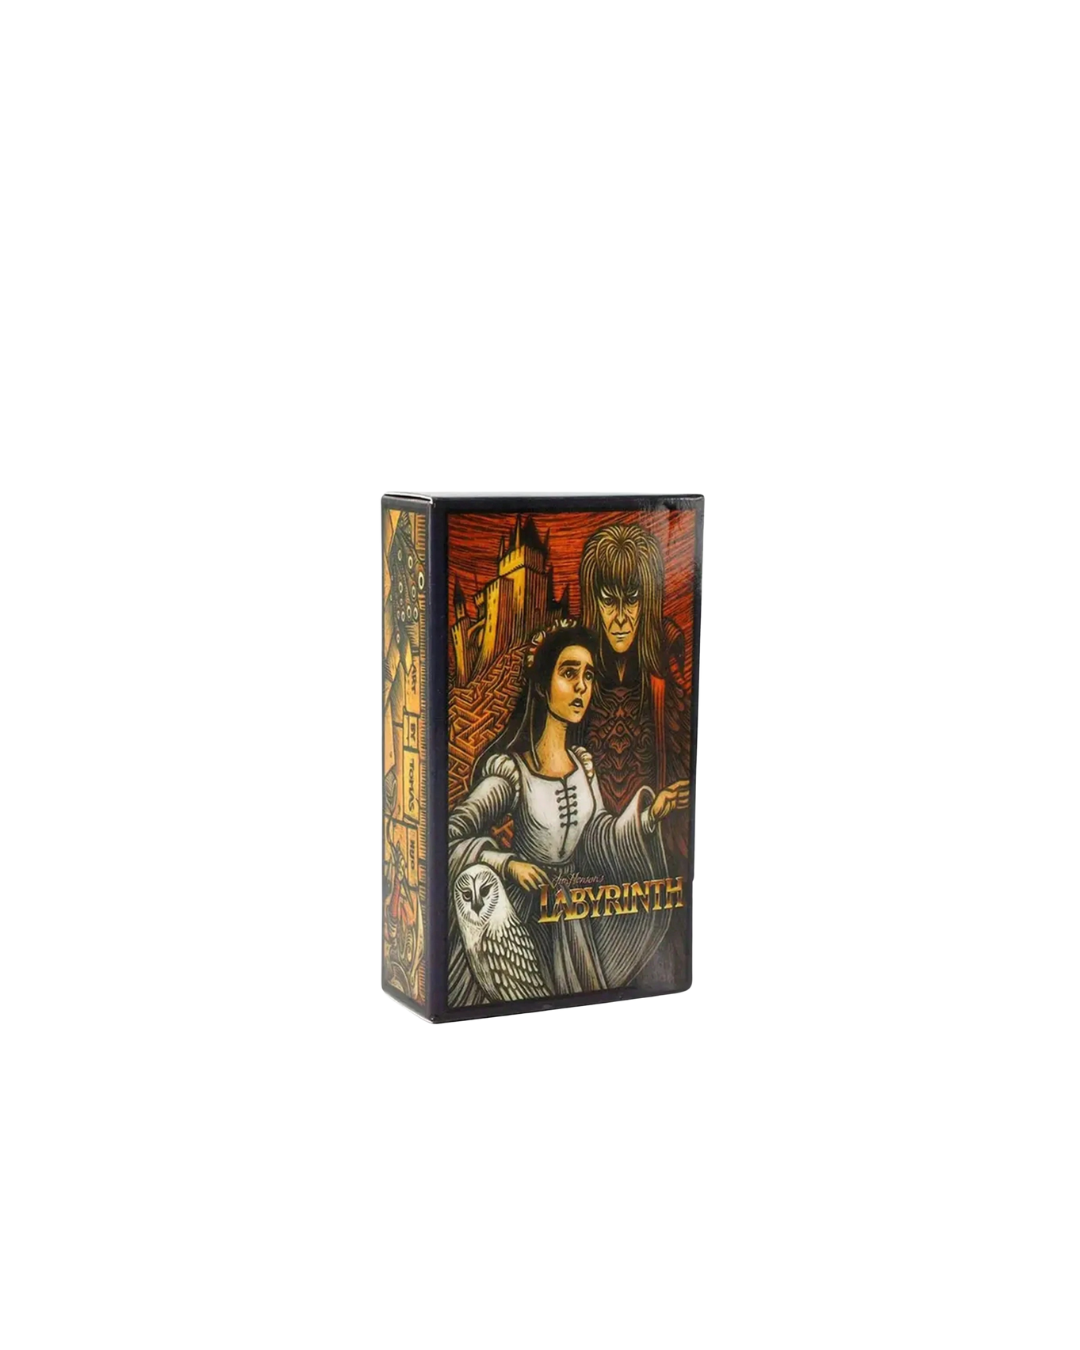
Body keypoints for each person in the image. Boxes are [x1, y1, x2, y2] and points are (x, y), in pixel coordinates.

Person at [448, 623, 689, 1005]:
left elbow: (597, 834)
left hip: (573, 920)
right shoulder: (513, 773)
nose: (581, 687)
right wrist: (508, 865)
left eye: (588, 676)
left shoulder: (583, 765)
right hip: (525, 918)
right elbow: (450, 835)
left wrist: (648, 817)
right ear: (543, 686)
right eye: (569, 673)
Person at [579, 523, 691, 864]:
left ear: (648, 600)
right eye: (608, 601)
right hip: (585, 857)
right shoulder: (576, 677)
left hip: (652, 856)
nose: (620, 619)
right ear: (594, 601)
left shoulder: (665, 678)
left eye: (631, 600)